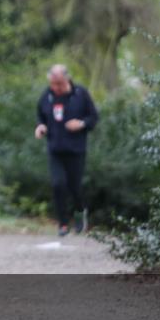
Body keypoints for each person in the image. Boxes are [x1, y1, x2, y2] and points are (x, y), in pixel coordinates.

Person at [33, 64, 99, 236]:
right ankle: (62, 223)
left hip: (76, 150)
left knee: (74, 187)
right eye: (53, 84)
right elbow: (40, 115)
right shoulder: (47, 96)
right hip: (55, 149)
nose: (56, 88)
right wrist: (40, 126)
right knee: (58, 184)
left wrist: (81, 124)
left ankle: (79, 213)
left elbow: (93, 117)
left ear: (67, 79)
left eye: (59, 84)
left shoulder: (80, 94)